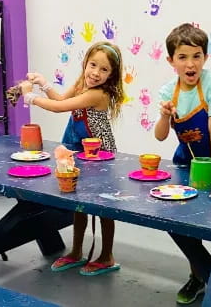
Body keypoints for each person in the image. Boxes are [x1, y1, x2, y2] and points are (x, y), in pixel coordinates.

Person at [21, 41, 125, 276]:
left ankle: (107, 255)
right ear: (85, 63)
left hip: (99, 155)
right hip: (77, 149)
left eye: (104, 69)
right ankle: (76, 251)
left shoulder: (98, 94)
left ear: (111, 75)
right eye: (93, 65)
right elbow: (60, 100)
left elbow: (59, 109)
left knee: (103, 206)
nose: (96, 73)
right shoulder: (82, 84)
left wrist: (30, 98)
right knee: (78, 204)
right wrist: (44, 84)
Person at [154, 23, 211, 304]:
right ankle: (201, 274)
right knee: (178, 221)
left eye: (197, 56)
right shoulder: (168, 91)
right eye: (183, 57)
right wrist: (164, 115)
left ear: (205, 57)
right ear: (171, 61)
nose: (191, 63)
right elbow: (161, 135)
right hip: (183, 163)